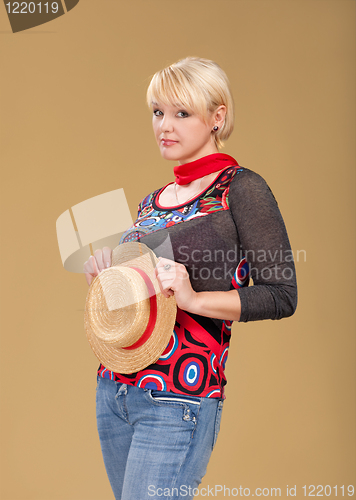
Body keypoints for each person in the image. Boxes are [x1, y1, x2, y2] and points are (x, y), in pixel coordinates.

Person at [83, 56, 297, 500]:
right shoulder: (151, 203)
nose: (165, 125)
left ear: (217, 117)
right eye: (158, 112)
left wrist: (194, 299)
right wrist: (108, 282)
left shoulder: (241, 189)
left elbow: (281, 295)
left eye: (182, 113)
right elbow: (147, 302)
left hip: (178, 397)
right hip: (115, 390)